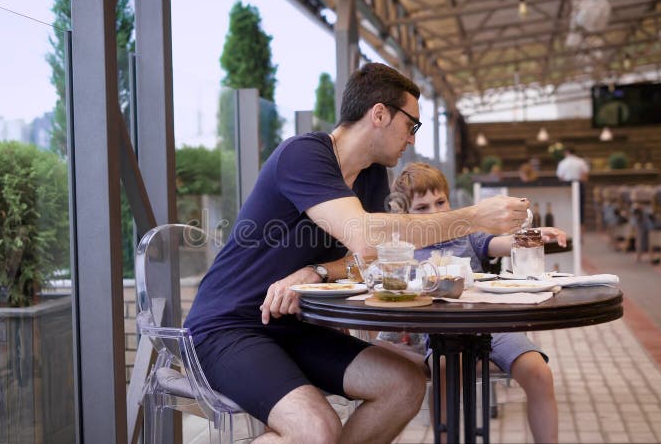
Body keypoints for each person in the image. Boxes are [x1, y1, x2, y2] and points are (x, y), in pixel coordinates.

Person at [183, 63, 531, 443]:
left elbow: (369, 258)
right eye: (411, 125)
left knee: (404, 384)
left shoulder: (369, 177)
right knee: (318, 428)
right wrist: (473, 217)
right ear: (379, 114)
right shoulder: (304, 155)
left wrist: (318, 271)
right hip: (228, 327)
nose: (411, 139)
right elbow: (365, 237)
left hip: (296, 326)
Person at [379, 162, 562, 443]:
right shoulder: (405, 252)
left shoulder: (466, 232)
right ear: (404, 215)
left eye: (441, 202)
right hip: (444, 336)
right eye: (422, 208)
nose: (436, 212)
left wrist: (536, 236)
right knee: (445, 379)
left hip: (494, 327)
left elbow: (502, 243)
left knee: (539, 373)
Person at [556, 147, 589, 225]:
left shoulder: (563, 162)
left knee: (567, 207)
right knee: (580, 209)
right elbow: (585, 177)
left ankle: (568, 227)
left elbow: (560, 177)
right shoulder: (581, 161)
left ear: (566, 152)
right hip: (579, 185)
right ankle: (581, 232)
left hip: (567, 186)